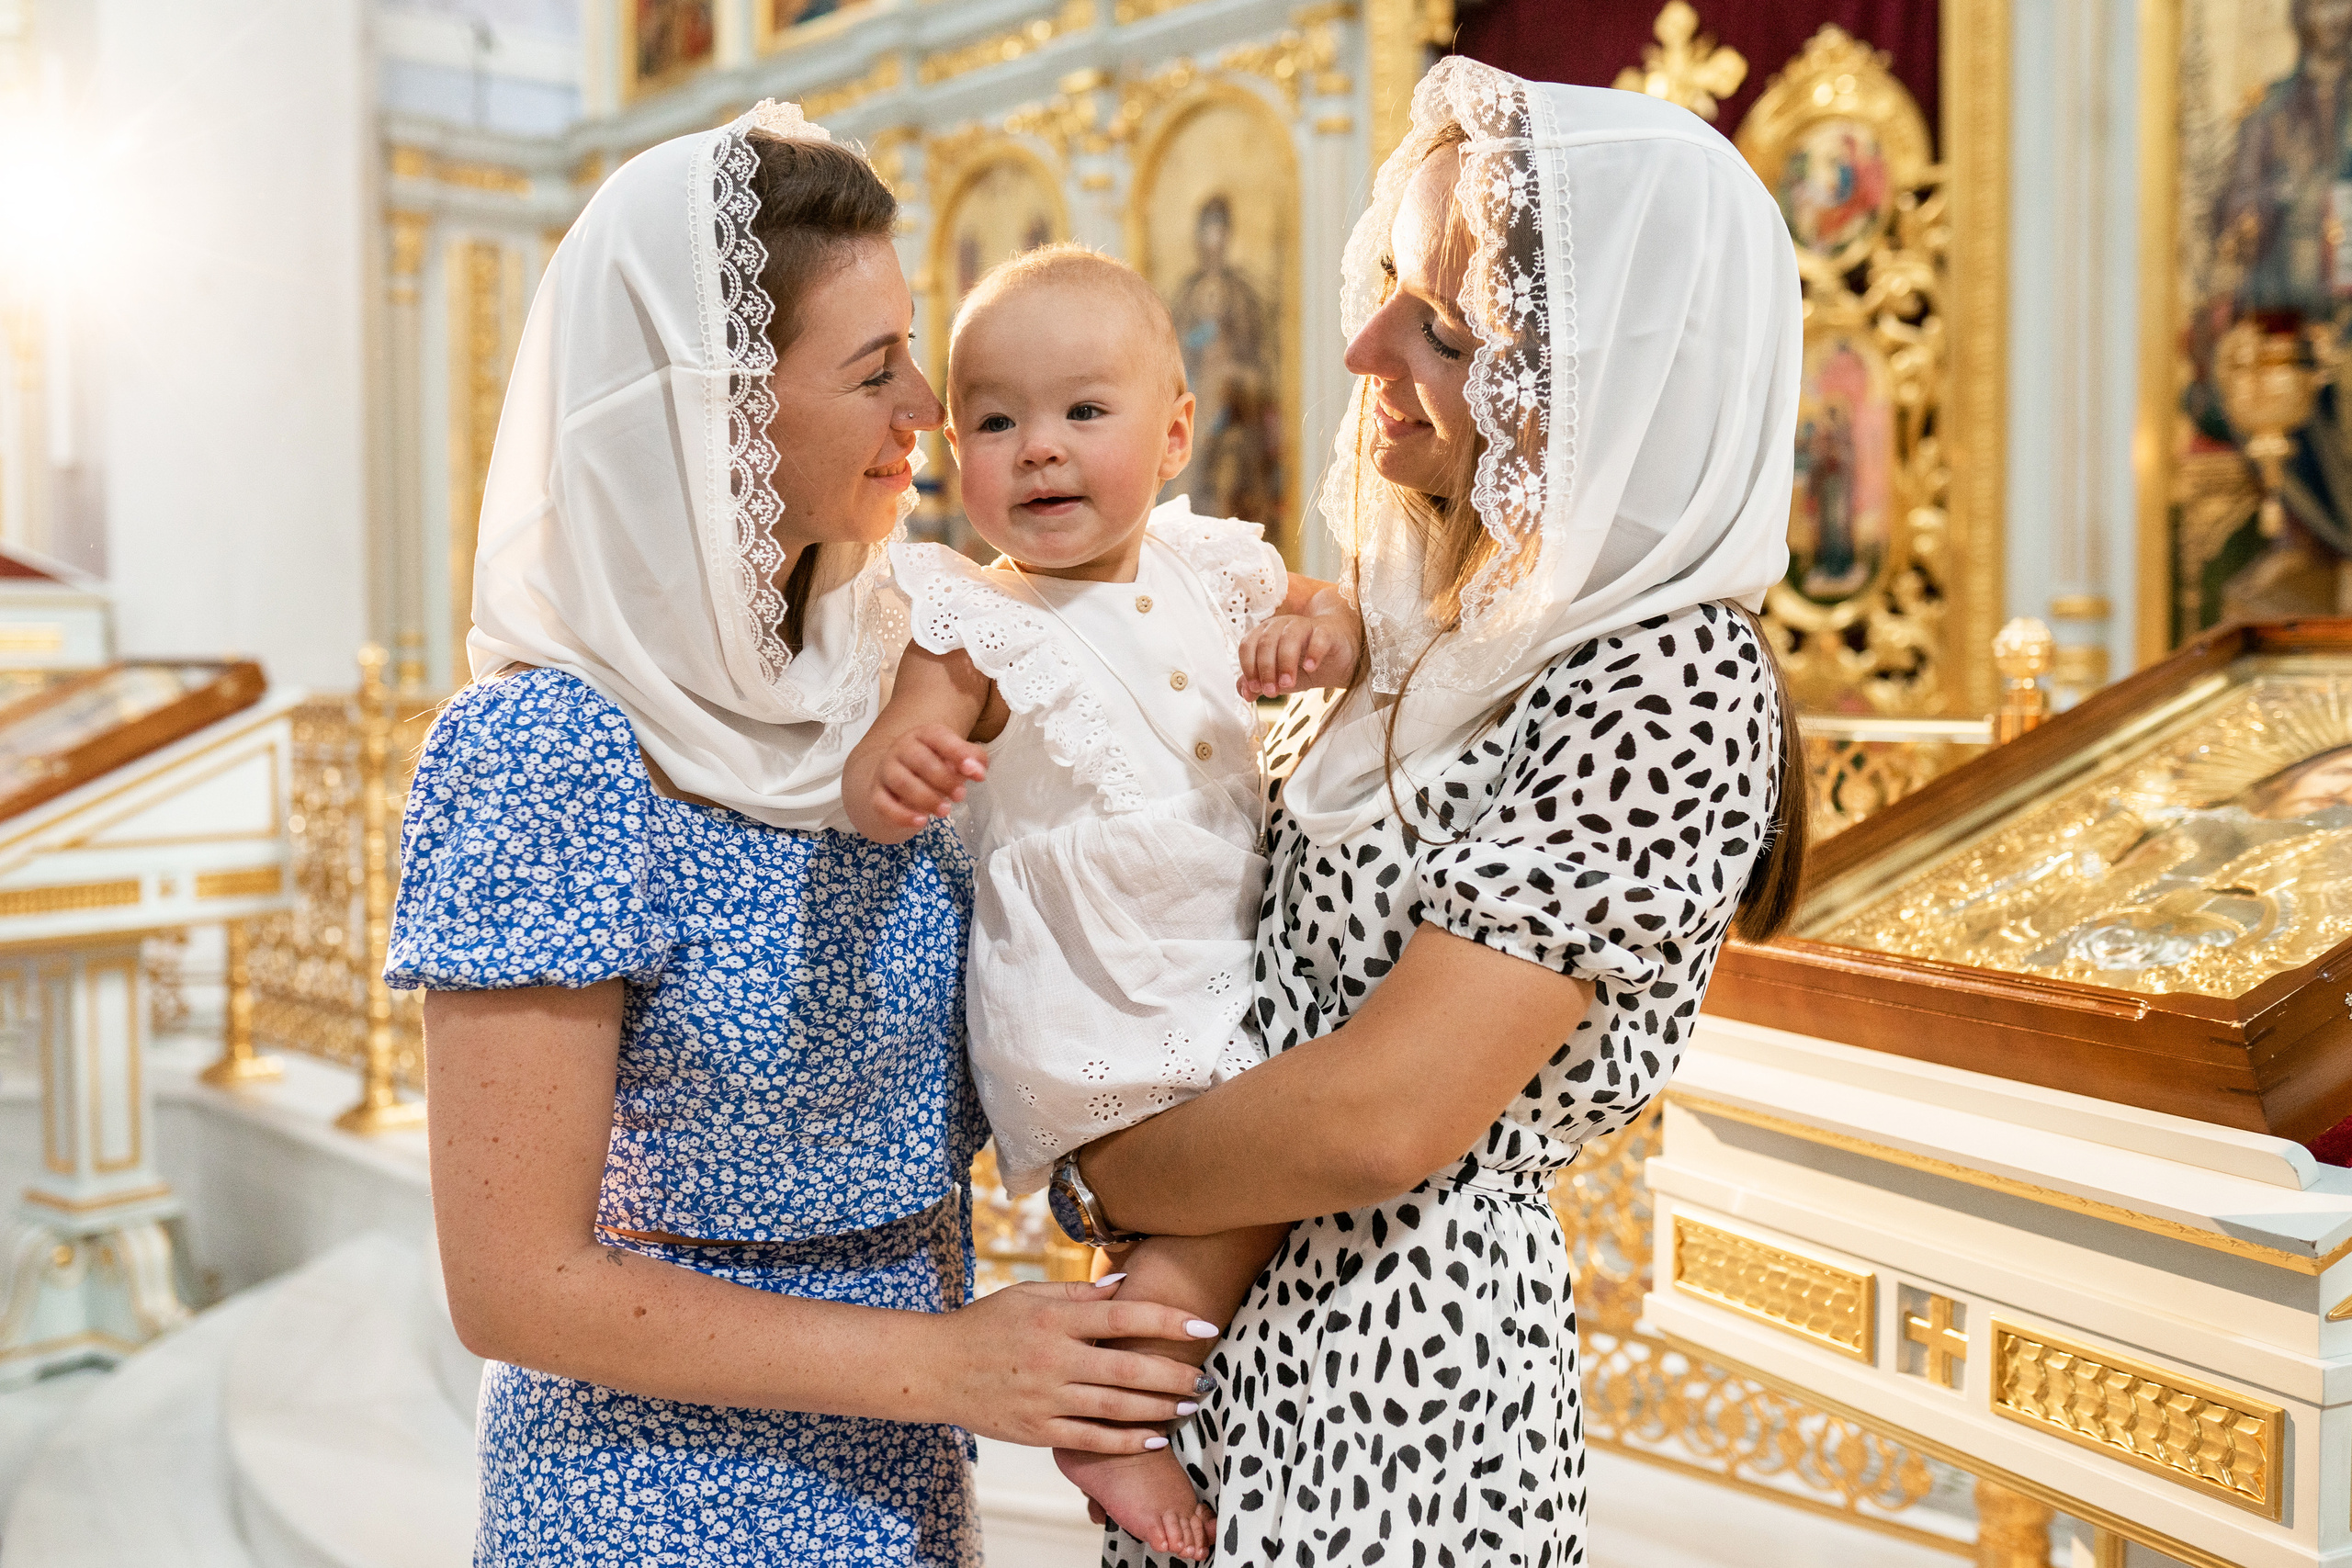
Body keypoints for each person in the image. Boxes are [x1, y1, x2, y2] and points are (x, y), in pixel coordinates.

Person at [386, 104, 1216, 1567]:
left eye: (917, 355)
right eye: (876, 368)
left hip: (900, 1469)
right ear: (721, 410)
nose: (931, 414)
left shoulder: (914, 654)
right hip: (651, 1493)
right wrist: (949, 1366)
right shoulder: (550, 748)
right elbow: (515, 1286)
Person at [1071, 61, 1809, 1565]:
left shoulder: (1669, 675)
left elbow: (1378, 1118)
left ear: (1605, 376)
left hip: (1398, 1405)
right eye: (1391, 287)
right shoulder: (1407, 617)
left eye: (1444, 329)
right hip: (1213, 1367)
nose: (1361, 345)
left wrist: (1097, 1168)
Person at [844, 243, 1361, 1561]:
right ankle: (1115, 1414)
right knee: (1251, 1177)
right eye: (998, 422)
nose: (1040, 452)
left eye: (1085, 412)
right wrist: (898, 770)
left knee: (1254, 1174)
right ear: (957, 450)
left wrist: (1323, 628)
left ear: (1177, 432)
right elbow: (895, 741)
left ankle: (1129, 1375)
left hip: (1202, 950)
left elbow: (1322, 608)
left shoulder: (1209, 564)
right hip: (1093, 985)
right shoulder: (974, 618)